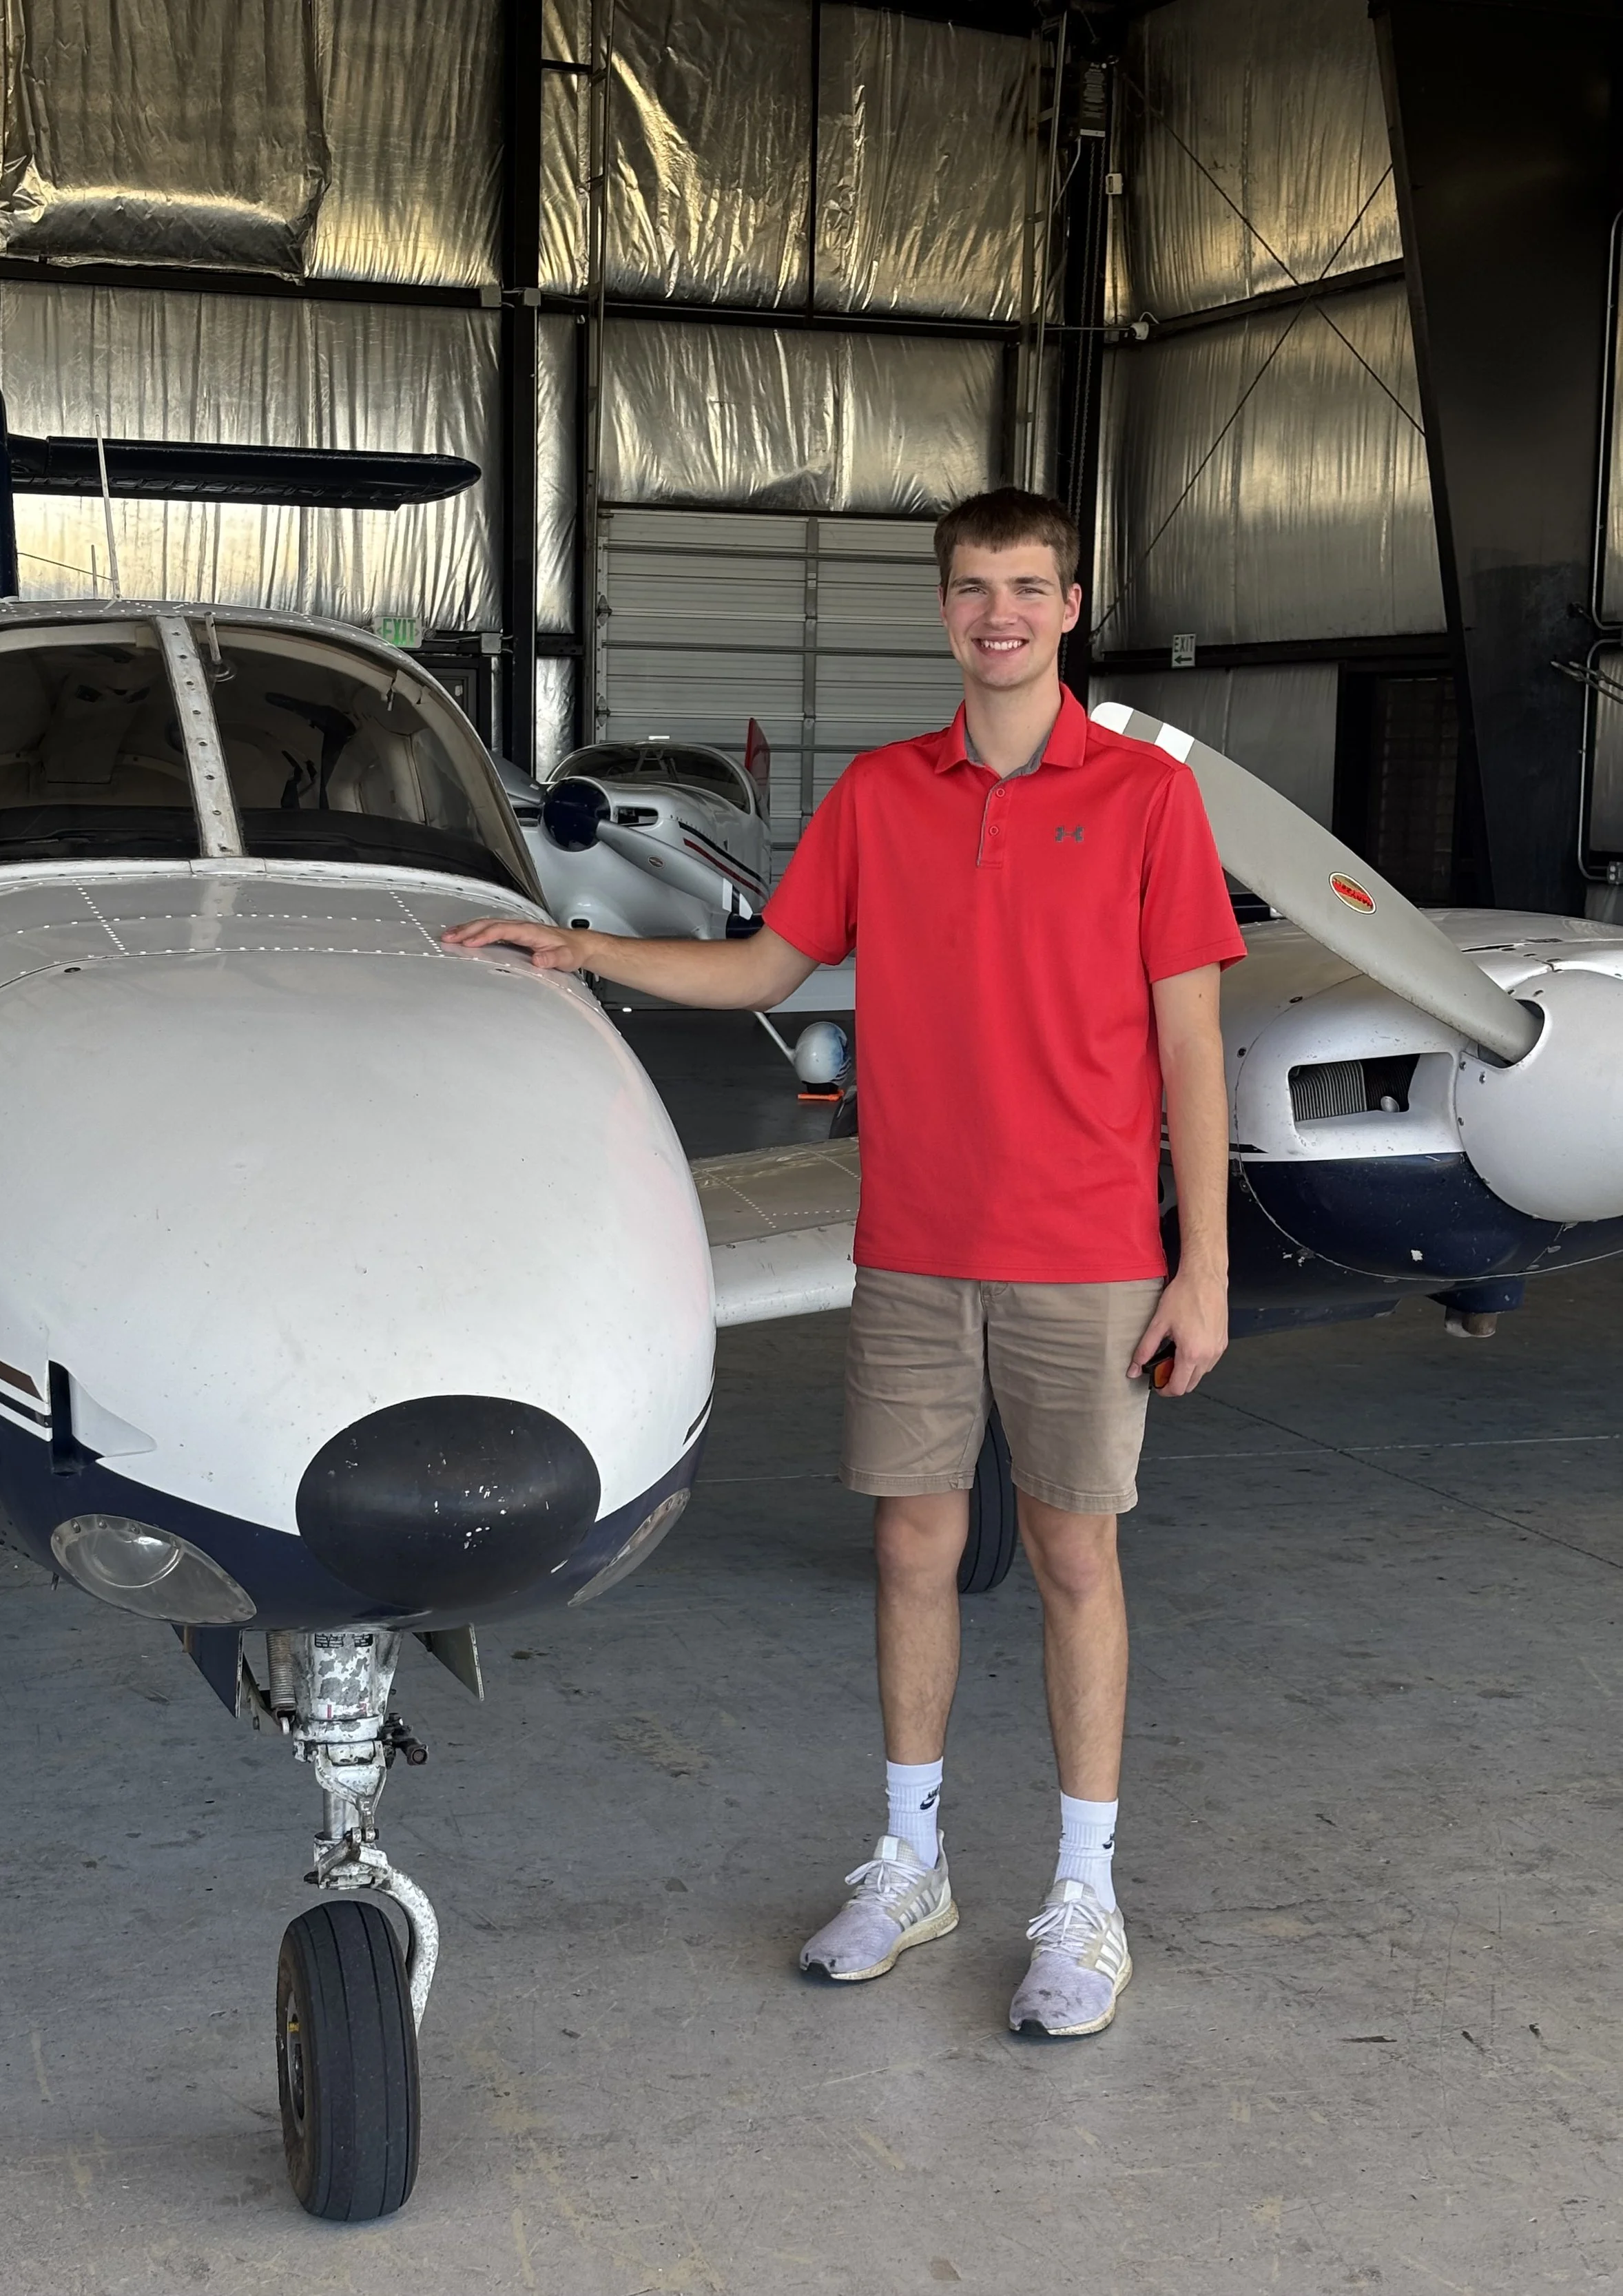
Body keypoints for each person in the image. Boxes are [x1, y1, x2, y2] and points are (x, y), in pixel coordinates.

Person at [443, 487, 1246, 2038]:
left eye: (1026, 586)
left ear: (1068, 607)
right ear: (940, 607)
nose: (996, 613)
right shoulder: (882, 794)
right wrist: (584, 951)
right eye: (969, 587)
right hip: (916, 1248)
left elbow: (1192, 1043)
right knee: (907, 1552)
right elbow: (765, 961)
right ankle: (911, 1859)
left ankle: (1084, 1889)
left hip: (1084, 1253)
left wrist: (1196, 1264)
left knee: (1077, 1558)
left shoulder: (1146, 799)